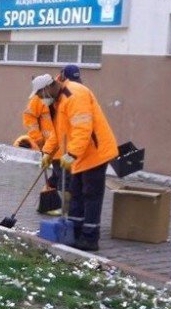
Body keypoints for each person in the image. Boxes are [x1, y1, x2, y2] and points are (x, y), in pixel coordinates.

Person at [40, 73, 118, 251]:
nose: (41, 99)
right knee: (76, 193)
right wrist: (47, 152)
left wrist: (72, 154)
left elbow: (83, 128)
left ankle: (90, 238)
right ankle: (75, 231)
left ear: (49, 87)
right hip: (82, 154)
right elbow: (59, 133)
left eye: (40, 95)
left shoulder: (74, 95)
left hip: (95, 153)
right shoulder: (60, 100)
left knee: (91, 195)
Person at [15, 74, 64, 214]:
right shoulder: (39, 98)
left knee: (58, 175)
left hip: (61, 145)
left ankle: (49, 203)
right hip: (51, 146)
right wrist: (38, 139)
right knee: (61, 176)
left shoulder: (61, 98)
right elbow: (29, 117)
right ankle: (53, 205)